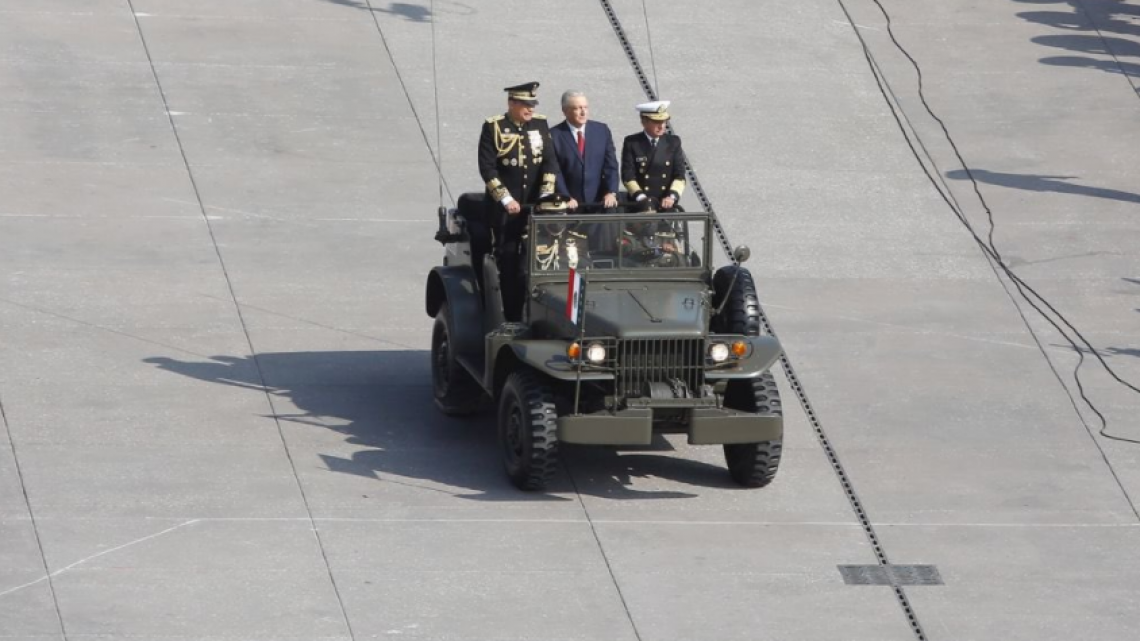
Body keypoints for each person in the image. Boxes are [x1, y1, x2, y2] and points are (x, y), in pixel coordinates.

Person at [477, 81, 559, 320]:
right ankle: (511, 317)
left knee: (538, 262)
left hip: (535, 209)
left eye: (533, 104)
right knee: (510, 264)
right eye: (525, 104)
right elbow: (487, 169)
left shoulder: (540, 125)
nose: (531, 109)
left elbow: (550, 163)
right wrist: (505, 199)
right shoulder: (494, 127)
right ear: (511, 103)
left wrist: (545, 196)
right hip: (508, 212)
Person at [549, 91, 620, 211]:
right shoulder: (554, 135)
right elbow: (555, 171)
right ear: (565, 111)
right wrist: (565, 196)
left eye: (585, 107)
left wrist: (611, 192)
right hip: (569, 205)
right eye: (577, 108)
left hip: (599, 205)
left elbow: (611, 166)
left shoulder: (601, 131)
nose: (583, 112)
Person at [620, 100, 686, 211]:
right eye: (656, 122)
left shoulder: (673, 142)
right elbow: (628, 175)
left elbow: (680, 175)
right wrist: (641, 197)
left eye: (664, 121)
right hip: (640, 205)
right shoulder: (632, 142)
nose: (661, 126)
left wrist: (672, 196)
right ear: (644, 122)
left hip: (666, 205)